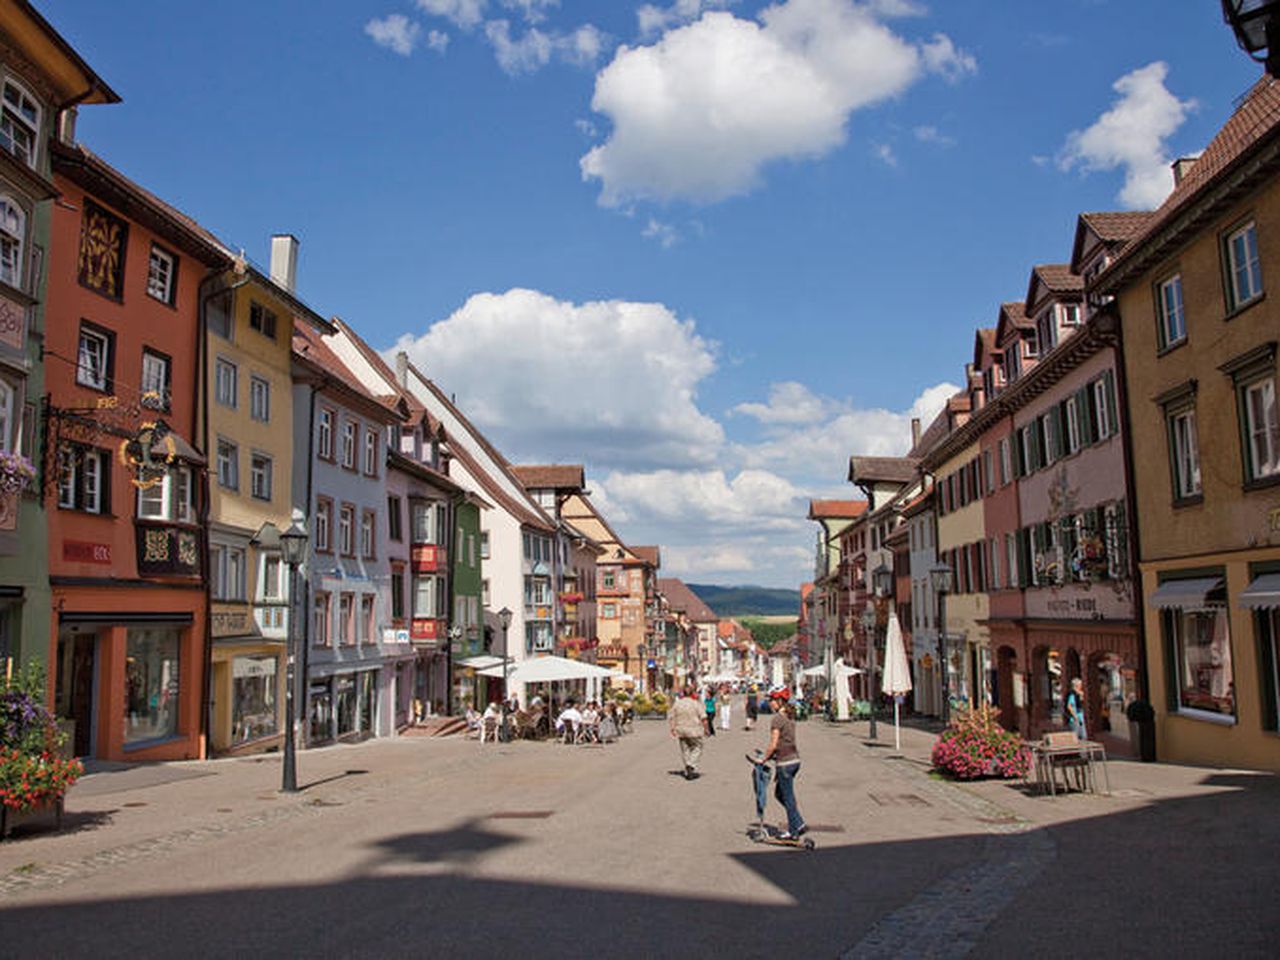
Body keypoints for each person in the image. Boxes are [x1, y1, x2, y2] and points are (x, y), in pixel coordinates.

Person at [760, 687, 806, 840]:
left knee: (787, 796)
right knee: (780, 794)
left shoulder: (777, 719)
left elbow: (773, 744)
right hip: (794, 759)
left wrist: (763, 759)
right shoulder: (789, 715)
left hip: (785, 763)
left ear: (779, 701)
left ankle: (793, 832)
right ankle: (798, 822)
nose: (770, 703)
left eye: (772, 700)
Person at [669, 685, 706, 779]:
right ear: (693, 693)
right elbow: (703, 718)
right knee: (698, 747)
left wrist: (672, 728)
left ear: (683, 693)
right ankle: (691, 765)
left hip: (681, 729)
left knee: (685, 749)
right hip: (694, 730)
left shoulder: (677, 704)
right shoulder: (696, 704)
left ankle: (688, 767)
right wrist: (706, 729)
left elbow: (671, 716)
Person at [1066, 676, 1087, 741]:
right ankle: (1080, 750)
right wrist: (1075, 716)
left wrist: (1081, 696)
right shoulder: (1072, 694)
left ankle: (1083, 750)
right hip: (1075, 719)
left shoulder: (1078, 694)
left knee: (1083, 736)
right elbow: (1069, 706)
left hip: (1080, 717)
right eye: (1080, 685)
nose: (1081, 686)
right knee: (1076, 737)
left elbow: (1081, 704)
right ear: (1076, 686)